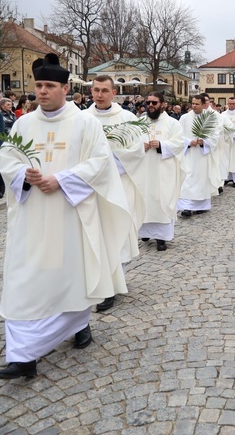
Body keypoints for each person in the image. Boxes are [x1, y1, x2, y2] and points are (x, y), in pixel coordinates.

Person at [0, 53, 130, 379]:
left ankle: (78, 324)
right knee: (24, 279)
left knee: (71, 275)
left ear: (65, 88)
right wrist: (21, 176)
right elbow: (8, 158)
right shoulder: (25, 123)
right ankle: (23, 355)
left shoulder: (85, 123)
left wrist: (61, 179)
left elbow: (100, 163)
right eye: (39, 85)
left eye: (49, 85)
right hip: (33, 215)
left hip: (71, 213)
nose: (42, 91)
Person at [86, 75, 145, 310]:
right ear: (91, 92)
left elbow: (137, 151)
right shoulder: (82, 119)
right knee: (94, 235)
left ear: (114, 93)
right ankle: (95, 281)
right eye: (96, 90)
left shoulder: (127, 119)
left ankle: (112, 285)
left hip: (119, 185)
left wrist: (107, 161)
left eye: (104, 90)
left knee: (116, 232)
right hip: (89, 188)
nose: (99, 95)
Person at [137, 91, 186, 249]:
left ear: (163, 104)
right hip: (144, 168)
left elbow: (179, 143)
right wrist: (139, 147)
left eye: (154, 103)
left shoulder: (172, 123)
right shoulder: (139, 122)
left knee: (161, 199)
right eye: (148, 102)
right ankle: (144, 233)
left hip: (163, 169)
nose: (150, 105)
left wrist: (162, 145)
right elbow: (129, 142)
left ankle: (161, 238)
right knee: (143, 199)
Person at [177, 94, 221, 217]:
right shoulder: (184, 118)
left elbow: (215, 135)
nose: (194, 106)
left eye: (197, 104)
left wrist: (204, 141)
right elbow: (178, 135)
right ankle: (186, 206)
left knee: (201, 179)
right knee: (187, 178)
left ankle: (201, 205)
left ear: (203, 105)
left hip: (202, 154)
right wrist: (188, 142)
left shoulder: (209, 118)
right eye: (193, 103)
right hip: (188, 153)